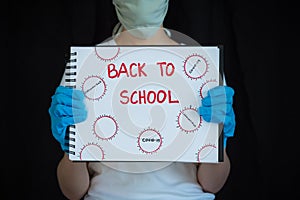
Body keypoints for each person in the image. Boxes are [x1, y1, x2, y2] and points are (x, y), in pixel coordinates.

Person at [48, 0, 236, 199]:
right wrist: (72, 150)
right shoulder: (85, 66)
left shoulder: (200, 66)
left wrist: (218, 142)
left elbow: (212, 184)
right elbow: (73, 192)